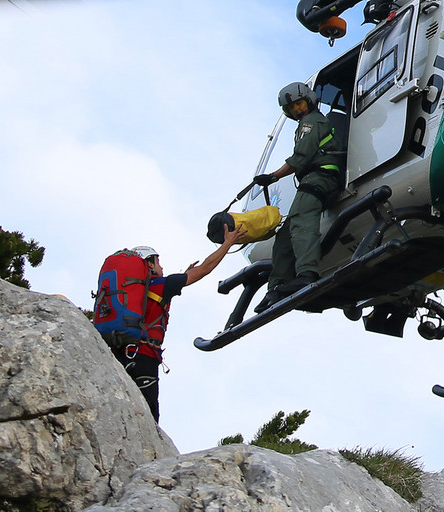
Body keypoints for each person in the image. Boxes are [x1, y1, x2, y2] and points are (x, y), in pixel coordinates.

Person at [113, 224, 245, 422]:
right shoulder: (163, 285)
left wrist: (183, 274)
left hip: (118, 356)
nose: (162, 267)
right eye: (158, 262)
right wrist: (228, 243)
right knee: (148, 420)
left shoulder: (124, 292)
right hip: (145, 359)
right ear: (149, 264)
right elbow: (205, 268)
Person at [253, 81, 342, 312]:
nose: (297, 110)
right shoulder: (304, 124)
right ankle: (276, 287)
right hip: (311, 179)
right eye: (292, 108)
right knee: (284, 235)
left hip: (321, 177)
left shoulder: (311, 122)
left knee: (302, 220)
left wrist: (273, 176)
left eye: (299, 104)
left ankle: (307, 273)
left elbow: (300, 158)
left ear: (309, 100)